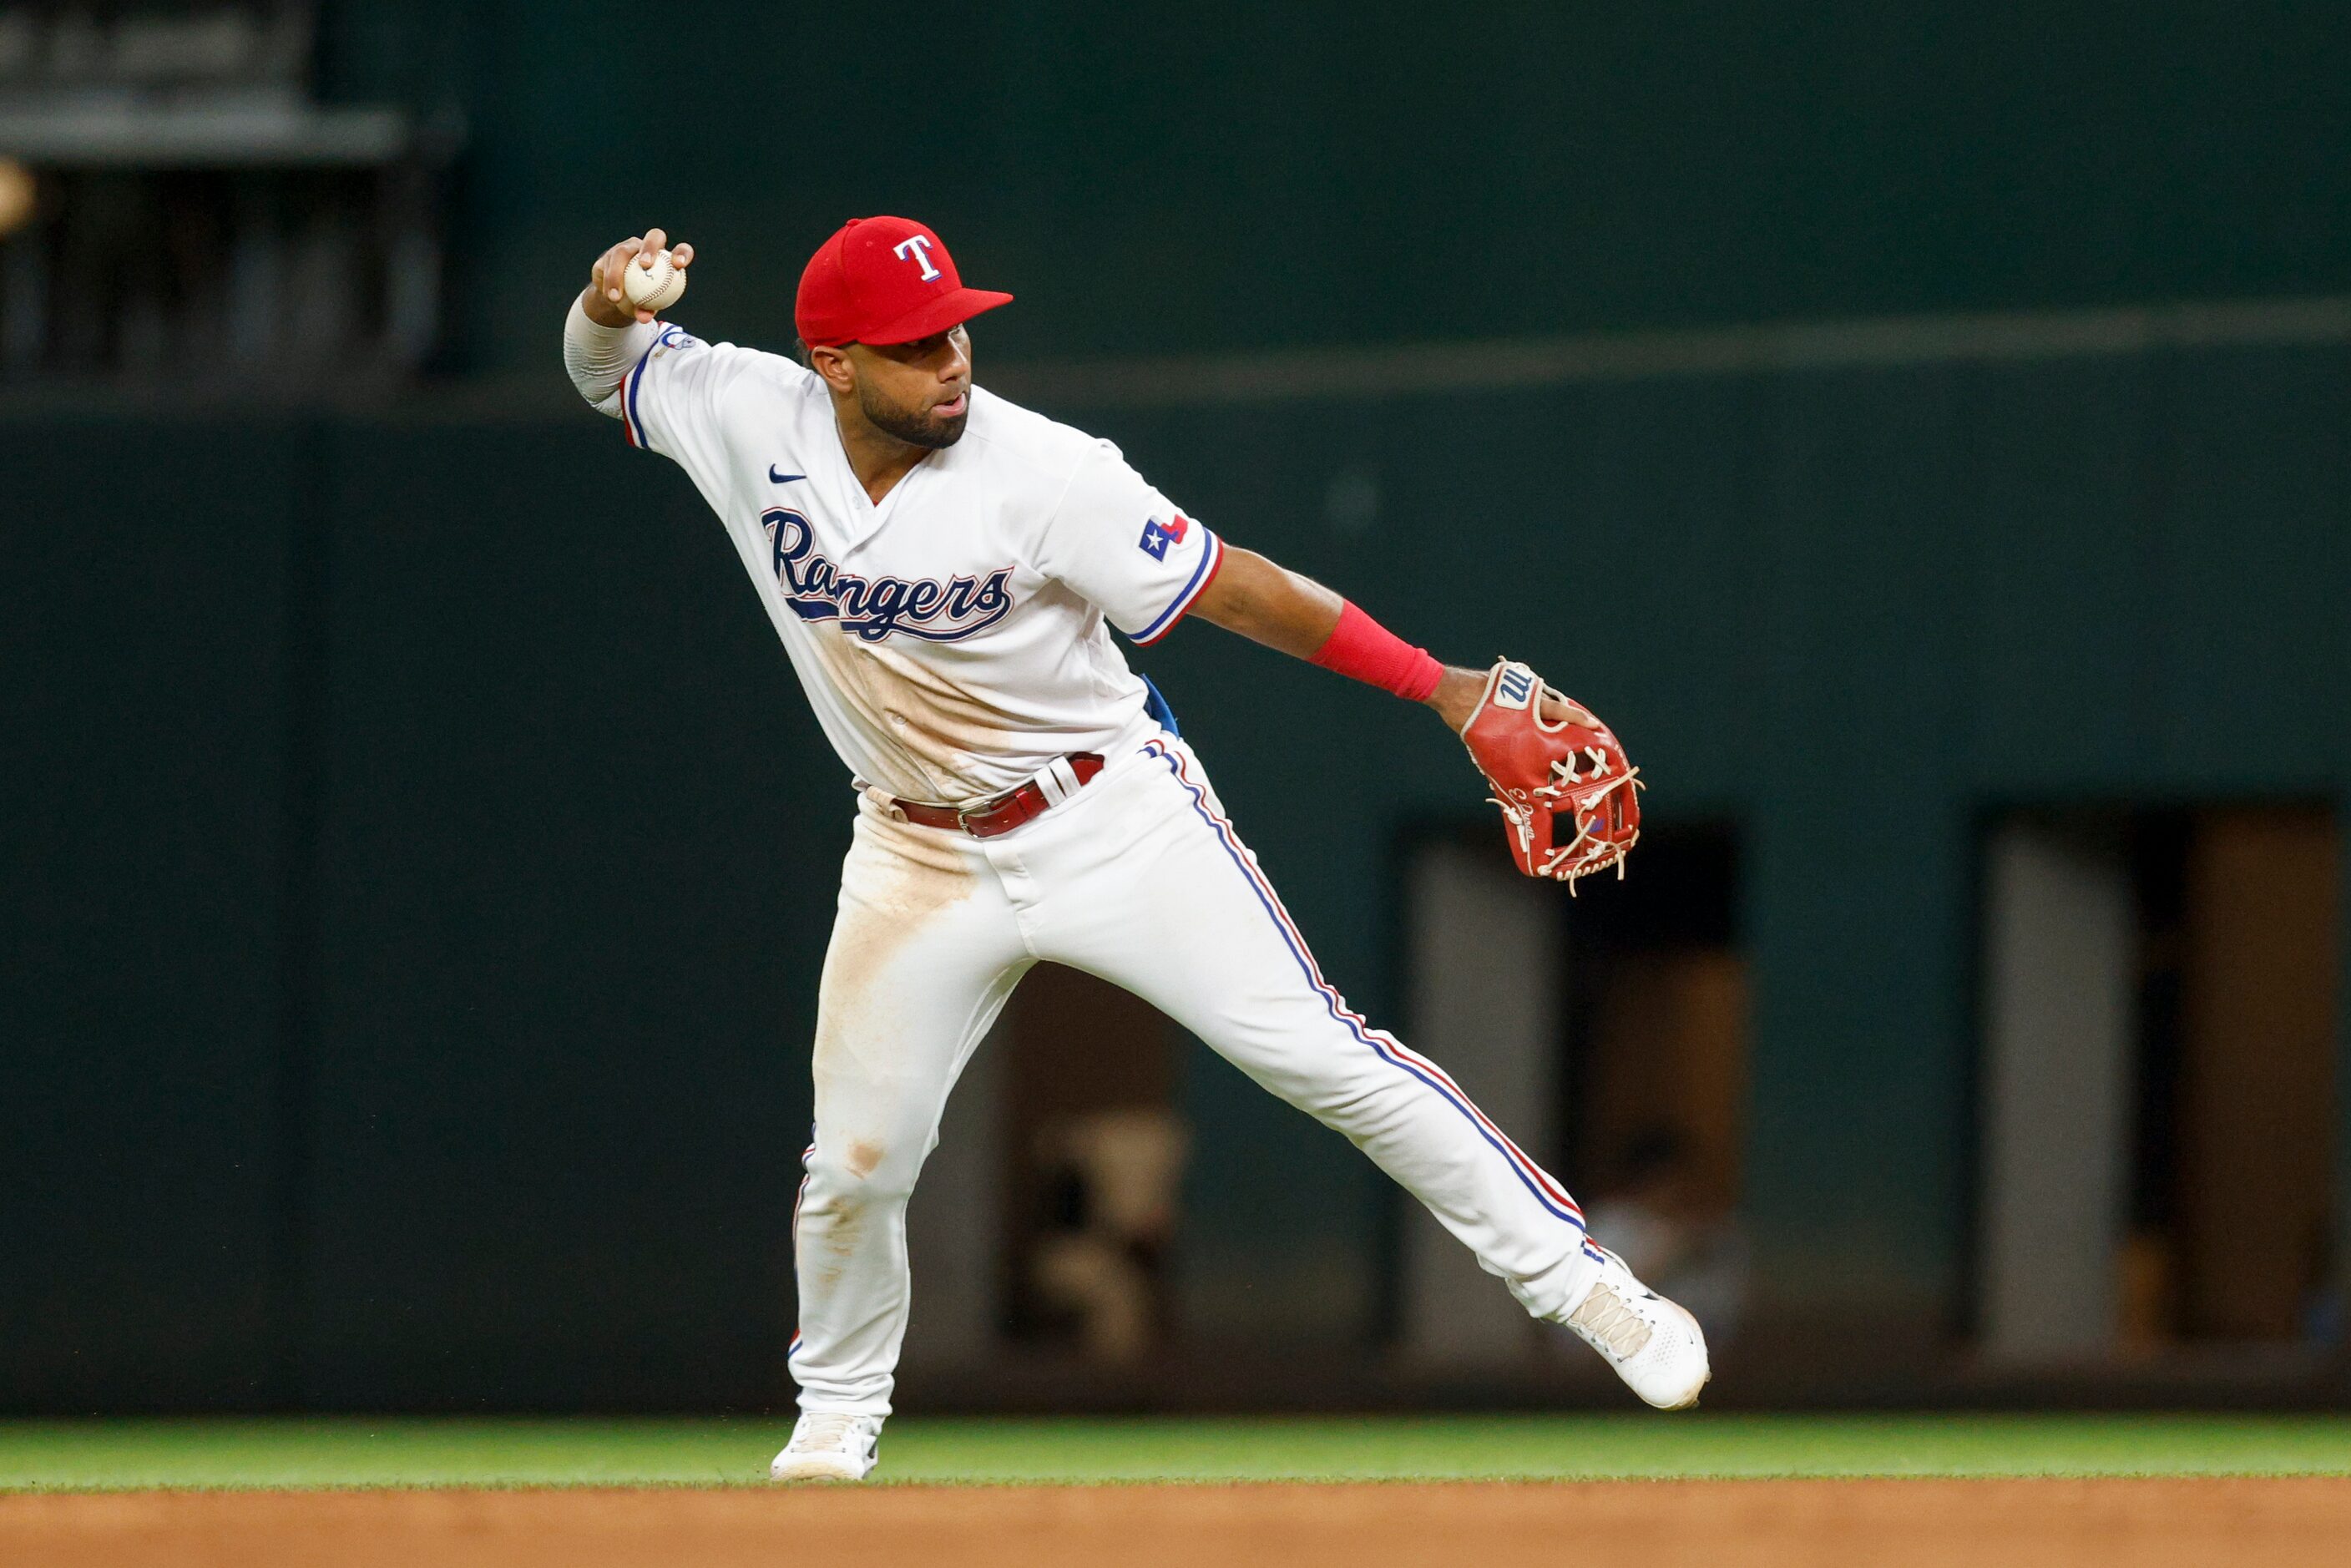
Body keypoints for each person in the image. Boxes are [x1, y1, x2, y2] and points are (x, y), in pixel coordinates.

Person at [562, 217, 1709, 1482]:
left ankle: (1589, 1287)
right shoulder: (746, 416)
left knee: (1320, 1054)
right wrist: (609, 303)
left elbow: (1234, 584)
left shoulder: (1047, 473)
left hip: (1108, 815)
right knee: (855, 1161)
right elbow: (607, 369)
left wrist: (1439, 687)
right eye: (910, 345)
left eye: (956, 327)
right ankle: (836, 1410)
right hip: (912, 850)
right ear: (831, 363)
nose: (950, 359)